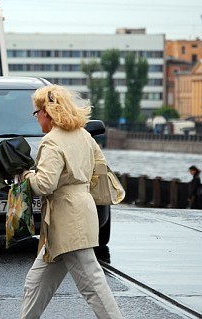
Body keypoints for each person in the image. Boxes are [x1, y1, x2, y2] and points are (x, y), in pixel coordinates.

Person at [19, 85, 122, 319]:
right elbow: (101, 170)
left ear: (46, 112)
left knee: (93, 285)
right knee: (36, 283)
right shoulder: (84, 135)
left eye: (37, 113)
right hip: (79, 211)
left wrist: (25, 175)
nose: (37, 119)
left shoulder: (52, 141)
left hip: (67, 218)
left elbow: (44, 185)